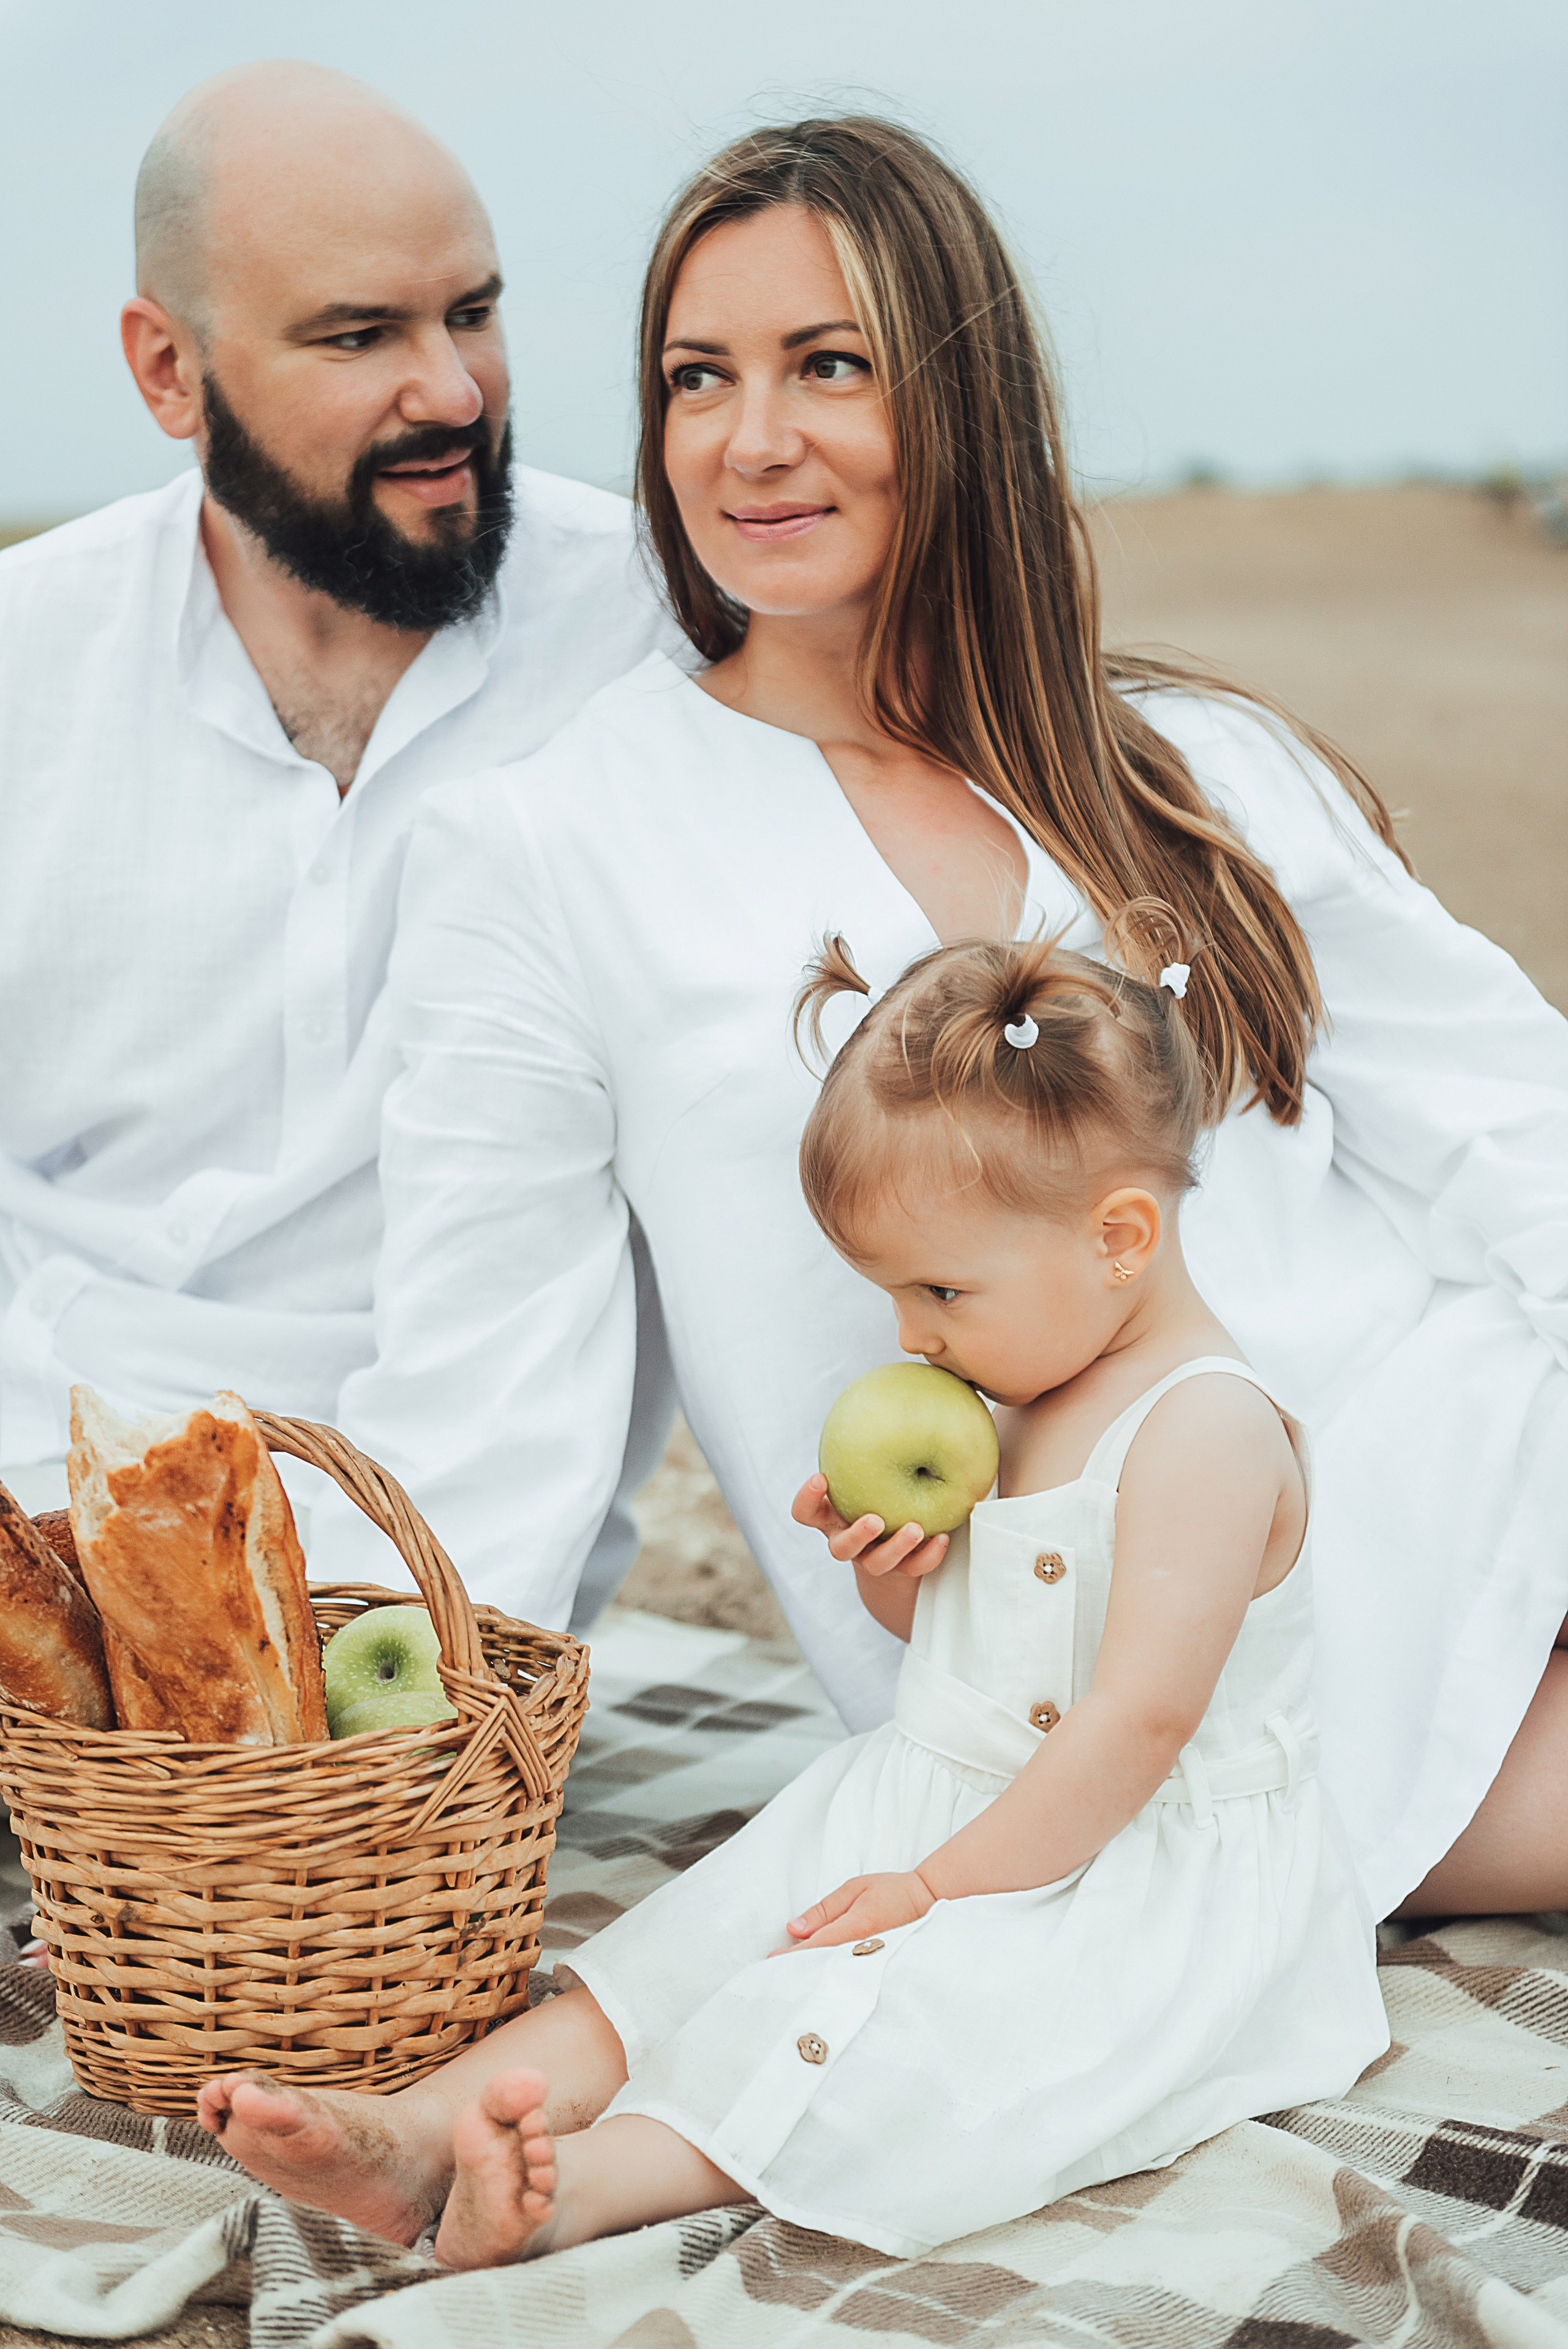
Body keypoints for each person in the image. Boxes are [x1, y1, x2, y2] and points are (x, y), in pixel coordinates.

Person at [322, 115, 1568, 1919]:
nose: (751, 441)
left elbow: (1511, 1119)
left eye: (830, 364)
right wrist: (379, 1764)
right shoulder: (548, 847)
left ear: (962, 403)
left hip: (1468, 1460)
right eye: (697, 377)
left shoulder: (1192, 764)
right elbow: (483, 1381)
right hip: (1112, 1670)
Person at [198, 932, 1387, 2264]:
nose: (908, 1338)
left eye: (939, 1289)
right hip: (952, 1797)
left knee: (895, 2033)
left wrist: (936, 1888)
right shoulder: (1020, 1395)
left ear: (1118, 1237)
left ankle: (570, 2191)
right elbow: (978, 1657)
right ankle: (420, 2129)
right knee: (691, 1946)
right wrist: (901, 1581)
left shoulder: (1201, 1433)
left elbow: (1136, 1721)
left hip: (1119, 1872)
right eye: (891, 1290)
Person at [0, 61, 677, 1610]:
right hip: (35, 1523)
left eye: (473, 313)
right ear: (169, 373)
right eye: (359, 335)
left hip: (455, 1583)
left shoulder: (663, 642)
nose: (449, 390)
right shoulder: (22, 662)